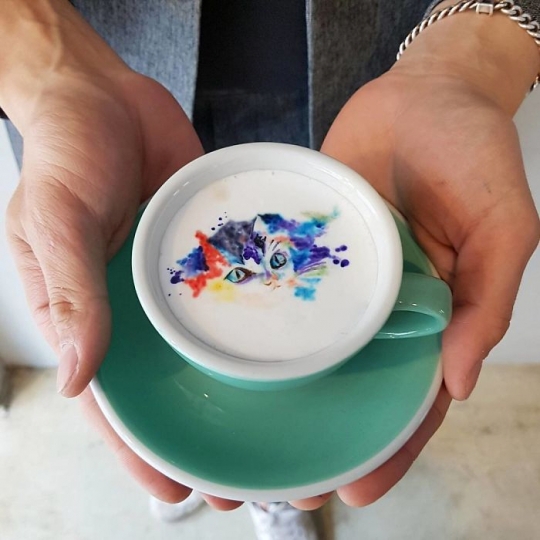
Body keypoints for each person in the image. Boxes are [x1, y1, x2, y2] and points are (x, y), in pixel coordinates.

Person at [1, 0, 539, 538]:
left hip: (366, 82)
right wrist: (40, 57)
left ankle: (275, 489)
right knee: (105, 327)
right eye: (239, 276)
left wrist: (464, 62)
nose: (271, 280)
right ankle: (180, 450)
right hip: (109, 87)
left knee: (294, 470)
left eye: (277, 260)